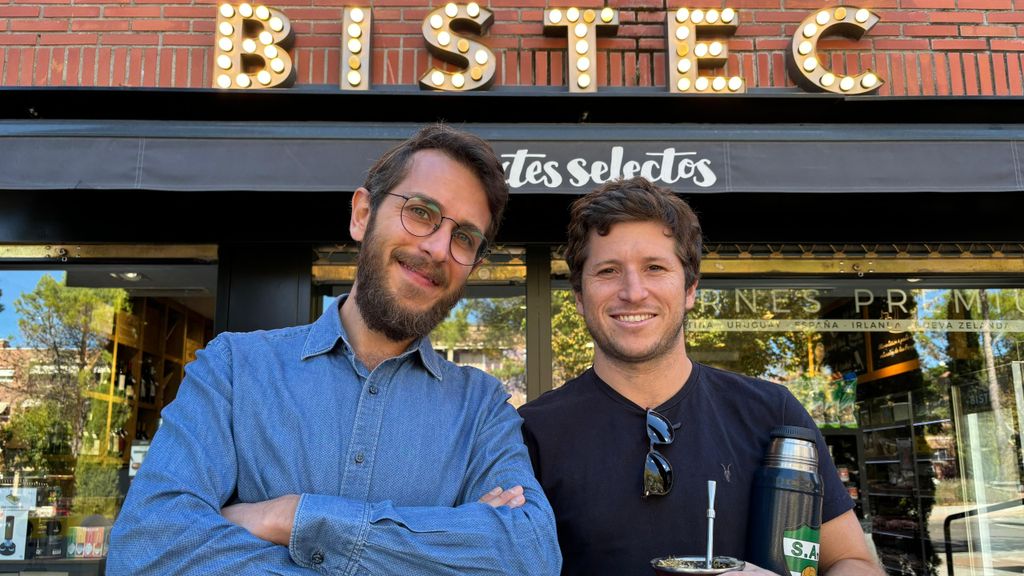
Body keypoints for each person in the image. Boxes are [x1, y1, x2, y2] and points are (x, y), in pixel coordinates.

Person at [109, 124, 561, 575]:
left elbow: (530, 555)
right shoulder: (234, 370)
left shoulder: (482, 409)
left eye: (464, 237)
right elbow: (147, 551)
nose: (439, 248)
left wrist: (295, 518)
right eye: (421, 212)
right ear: (362, 214)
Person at [518, 177, 881, 576]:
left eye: (655, 268)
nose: (633, 291)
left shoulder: (773, 415)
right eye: (608, 271)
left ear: (690, 288)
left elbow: (853, 561)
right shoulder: (532, 433)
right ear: (579, 295)